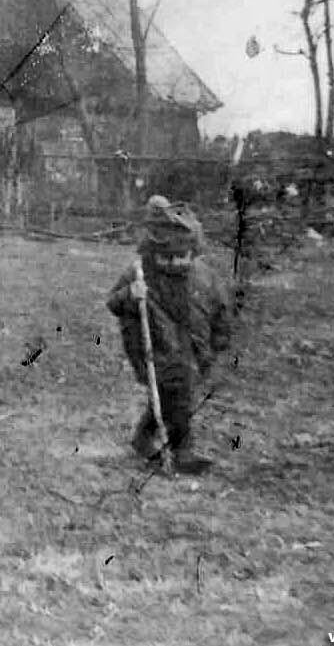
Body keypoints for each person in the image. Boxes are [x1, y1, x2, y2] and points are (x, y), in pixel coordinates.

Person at [106, 194, 233, 475]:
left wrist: (220, 338)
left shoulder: (204, 276)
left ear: (192, 252)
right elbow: (113, 303)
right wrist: (130, 294)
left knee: (168, 395)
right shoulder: (141, 273)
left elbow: (221, 308)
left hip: (195, 346)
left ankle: (143, 437)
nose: (174, 263)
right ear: (153, 252)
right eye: (166, 258)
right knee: (178, 393)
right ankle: (182, 450)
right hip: (155, 347)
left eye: (180, 257)